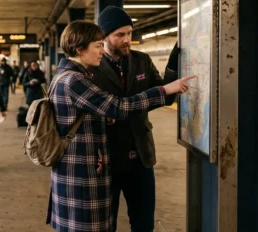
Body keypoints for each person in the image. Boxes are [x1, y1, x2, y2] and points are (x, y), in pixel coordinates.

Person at [46, 20, 195, 232]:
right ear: (80, 49)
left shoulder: (70, 76)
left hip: (96, 165)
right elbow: (118, 106)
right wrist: (163, 90)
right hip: (84, 171)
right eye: (97, 46)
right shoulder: (74, 80)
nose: (101, 51)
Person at [95, 6, 180, 232]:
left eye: (129, 33)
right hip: (106, 159)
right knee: (104, 224)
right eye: (120, 35)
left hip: (140, 158)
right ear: (104, 37)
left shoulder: (141, 60)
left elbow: (164, 97)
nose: (126, 40)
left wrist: (172, 68)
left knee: (144, 224)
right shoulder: (92, 67)